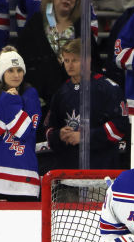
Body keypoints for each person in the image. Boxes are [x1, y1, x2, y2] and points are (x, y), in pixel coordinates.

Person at [43, 38, 127, 170]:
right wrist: (59, 134)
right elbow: (48, 129)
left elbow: (120, 126)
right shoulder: (61, 93)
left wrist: (86, 137)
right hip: (68, 173)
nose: (69, 66)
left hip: (101, 172)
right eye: (66, 60)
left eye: (75, 60)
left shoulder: (108, 88)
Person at [0, 46, 42, 200]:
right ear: (1, 72)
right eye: (10, 70)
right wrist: (7, 100)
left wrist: (8, 103)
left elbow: (24, 132)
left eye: (19, 70)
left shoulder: (30, 94)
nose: (16, 75)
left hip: (25, 176)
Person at [19, 0, 95, 105]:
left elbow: (93, 61)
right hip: (40, 96)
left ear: (77, 0)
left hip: (74, 97)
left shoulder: (81, 26)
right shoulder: (37, 21)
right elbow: (22, 57)